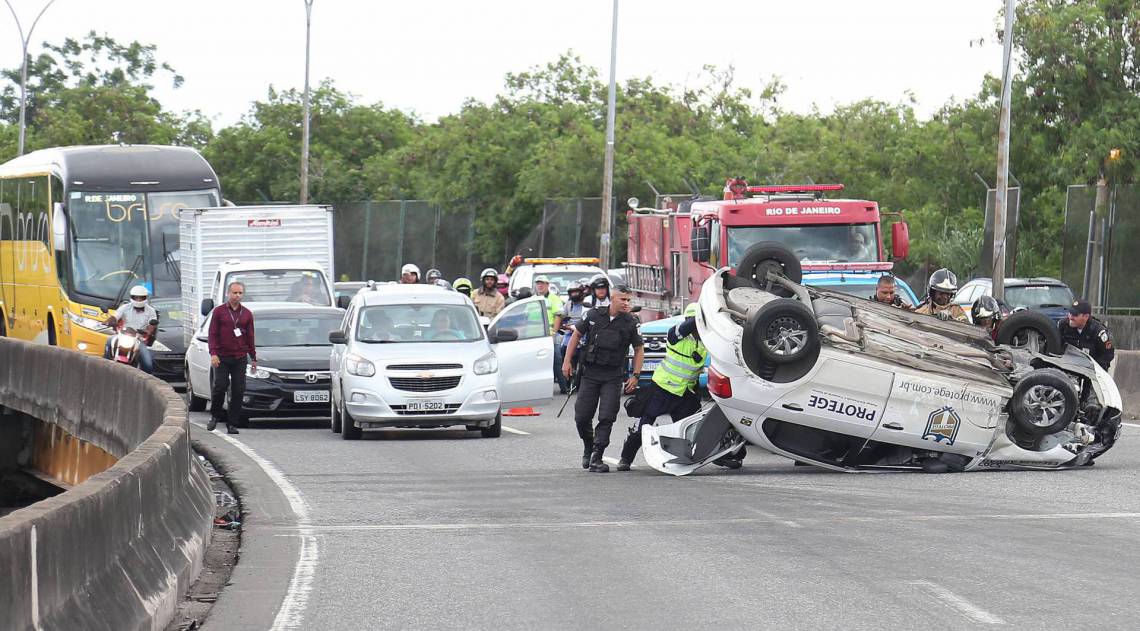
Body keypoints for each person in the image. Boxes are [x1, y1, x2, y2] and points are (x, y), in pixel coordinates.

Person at [562, 285, 644, 473]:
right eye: (623, 299)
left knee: (607, 416)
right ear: (613, 298)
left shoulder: (631, 322)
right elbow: (576, 335)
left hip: (613, 376)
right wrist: (567, 362)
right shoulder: (593, 315)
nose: (626, 303)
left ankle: (597, 456)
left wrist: (636, 376)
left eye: (629, 300)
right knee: (582, 417)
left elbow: (639, 349)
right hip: (590, 374)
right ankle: (589, 446)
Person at [617, 303, 707, 470]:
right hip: (662, 389)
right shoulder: (676, 336)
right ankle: (625, 458)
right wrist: (701, 317)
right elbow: (682, 329)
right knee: (642, 426)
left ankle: (723, 458)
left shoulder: (706, 341)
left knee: (695, 430)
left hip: (685, 393)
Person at [207, 282, 257, 434]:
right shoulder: (219, 312)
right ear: (228, 294)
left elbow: (250, 336)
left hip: (240, 356)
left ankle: (232, 423)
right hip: (222, 356)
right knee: (220, 386)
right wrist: (213, 353)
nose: (237, 296)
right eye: (234, 293)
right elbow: (213, 334)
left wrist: (253, 357)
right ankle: (215, 415)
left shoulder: (247, 314)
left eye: (240, 293)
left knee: (238, 389)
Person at [103, 284, 158, 374]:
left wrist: (147, 331)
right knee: (109, 340)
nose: (138, 300)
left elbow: (152, 325)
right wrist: (108, 321)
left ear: (145, 298)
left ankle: (144, 382)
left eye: (141, 298)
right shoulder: (125, 307)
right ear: (132, 297)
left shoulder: (151, 311)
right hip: (122, 335)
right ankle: (104, 368)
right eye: (136, 297)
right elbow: (115, 316)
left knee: (148, 364)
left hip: (138, 339)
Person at [553, 280, 590, 394]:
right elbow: (560, 315)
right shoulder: (568, 304)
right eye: (572, 292)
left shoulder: (587, 303)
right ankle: (567, 375)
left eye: (576, 292)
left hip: (586, 331)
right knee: (563, 347)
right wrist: (556, 330)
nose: (574, 294)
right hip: (571, 331)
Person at [1059, 299, 1114, 370]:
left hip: (1092, 371)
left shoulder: (1098, 331)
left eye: (1075, 315)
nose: (1071, 317)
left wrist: (1093, 367)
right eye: (1070, 313)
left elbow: (1108, 354)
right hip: (1069, 368)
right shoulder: (1063, 326)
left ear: (1086, 316)